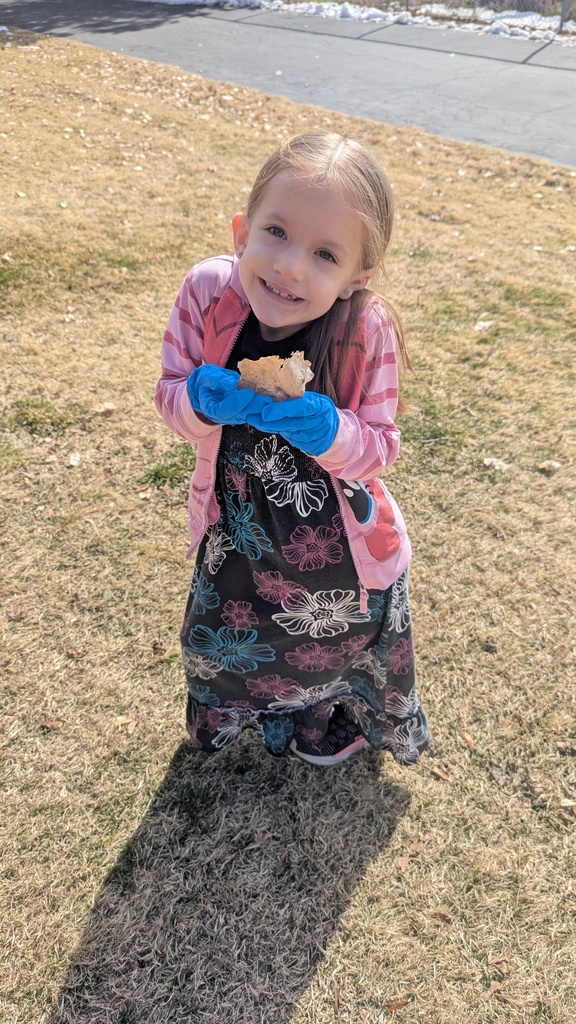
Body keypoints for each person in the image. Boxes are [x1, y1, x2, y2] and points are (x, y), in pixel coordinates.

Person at [155, 131, 429, 767]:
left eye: (325, 254)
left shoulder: (365, 329)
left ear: (358, 276)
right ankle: (230, 713)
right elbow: (169, 400)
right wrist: (197, 399)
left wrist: (330, 431)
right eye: (275, 232)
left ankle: (318, 724)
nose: (288, 266)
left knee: (328, 647)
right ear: (241, 230)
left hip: (338, 553)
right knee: (233, 635)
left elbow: (381, 448)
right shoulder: (206, 293)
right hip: (239, 535)